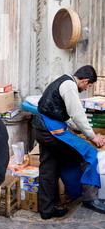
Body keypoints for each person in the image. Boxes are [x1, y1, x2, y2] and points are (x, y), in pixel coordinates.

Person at [32, 65, 105, 219]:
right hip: (51, 130)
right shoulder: (70, 86)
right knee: (89, 153)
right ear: (85, 81)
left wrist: (76, 128)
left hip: (40, 128)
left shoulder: (63, 80)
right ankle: (90, 198)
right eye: (88, 86)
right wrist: (92, 136)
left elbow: (63, 113)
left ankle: (47, 210)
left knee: (49, 168)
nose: (86, 89)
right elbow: (77, 113)